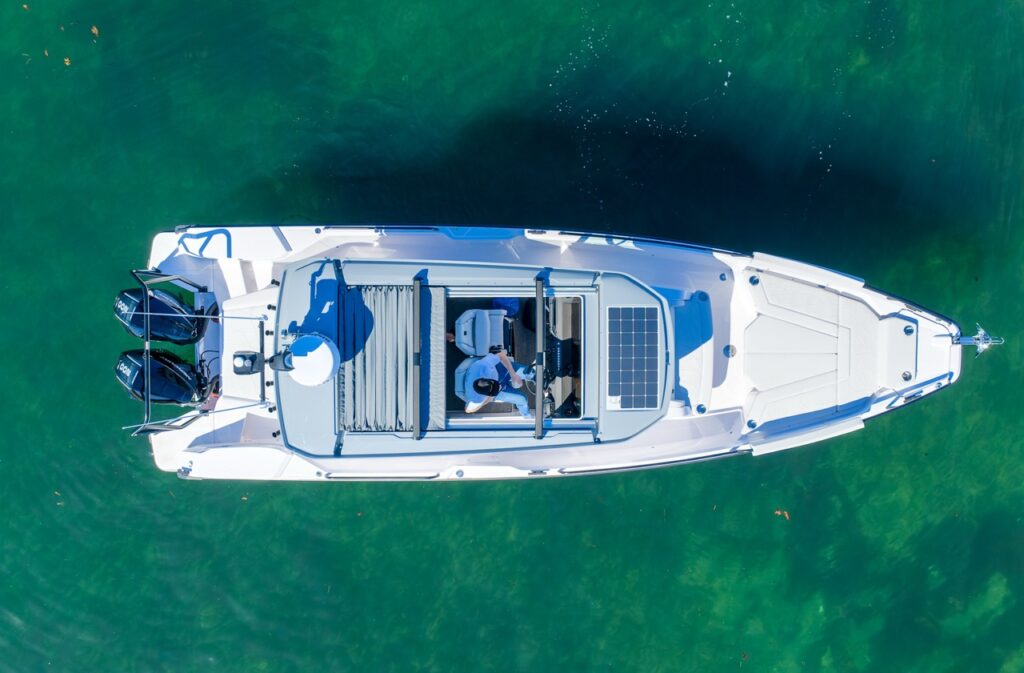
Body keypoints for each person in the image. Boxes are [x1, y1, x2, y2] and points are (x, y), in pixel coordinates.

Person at [465, 347, 535, 418]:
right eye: (497, 389)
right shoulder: (474, 398)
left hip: (499, 370)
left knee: (531, 373)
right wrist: (486, 401)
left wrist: (513, 374)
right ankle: (527, 416)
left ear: (487, 378)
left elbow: (500, 354)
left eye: (497, 385)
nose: (500, 386)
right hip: (495, 395)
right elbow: (468, 410)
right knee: (523, 399)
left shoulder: (483, 366)